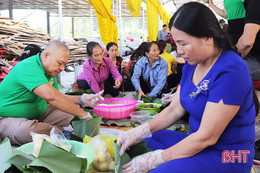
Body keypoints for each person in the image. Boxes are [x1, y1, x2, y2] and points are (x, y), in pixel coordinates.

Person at [117, 2, 255, 173]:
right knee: (144, 141)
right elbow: (175, 109)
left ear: (207, 37)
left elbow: (207, 137)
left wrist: (159, 158)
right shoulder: (192, 63)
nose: (179, 51)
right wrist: (141, 130)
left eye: (183, 44)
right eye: (176, 44)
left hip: (228, 155)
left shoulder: (231, 70)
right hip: (197, 142)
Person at [0, 40, 103, 146]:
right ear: (46, 56)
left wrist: (82, 99)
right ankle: (61, 133)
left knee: (71, 114)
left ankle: (52, 130)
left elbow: (59, 97)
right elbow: (52, 97)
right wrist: (83, 114)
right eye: (60, 63)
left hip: (40, 113)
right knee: (25, 131)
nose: (62, 68)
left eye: (64, 65)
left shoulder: (50, 70)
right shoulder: (27, 67)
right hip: (7, 118)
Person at [236, 0, 260, 81]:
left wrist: (227, 57)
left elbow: (247, 42)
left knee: (218, 69)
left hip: (257, 62)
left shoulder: (255, 2)